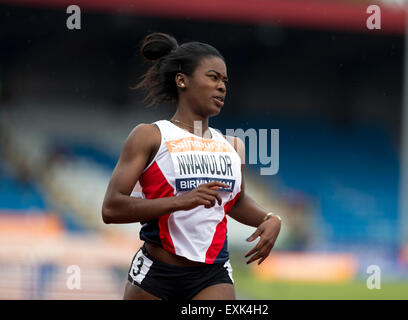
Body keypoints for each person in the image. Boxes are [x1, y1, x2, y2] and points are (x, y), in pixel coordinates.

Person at [101, 32, 282, 300]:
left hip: (212, 275)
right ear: (182, 80)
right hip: (156, 275)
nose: (222, 86)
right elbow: (111, 208)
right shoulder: (150, 136)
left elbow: (235, 201)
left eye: (224, 81)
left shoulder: (233, 146)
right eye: (213, 77)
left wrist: (269, 218)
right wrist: (180, 201)